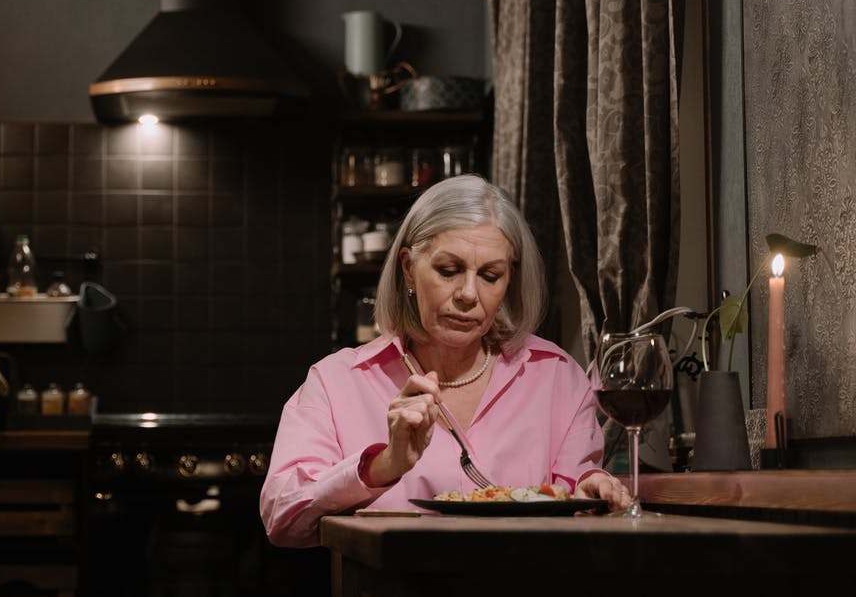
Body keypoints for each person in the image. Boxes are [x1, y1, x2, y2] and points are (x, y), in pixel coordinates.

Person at [260, 175, 630, 548]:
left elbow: (577, 497)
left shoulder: (557, 377)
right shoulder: (336, 381)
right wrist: (383, 465)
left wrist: (591, 492)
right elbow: (283, 518)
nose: (469, 294)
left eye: (490, 276)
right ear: (408, 268)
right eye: (448, 271)